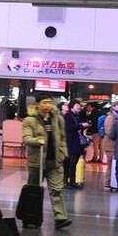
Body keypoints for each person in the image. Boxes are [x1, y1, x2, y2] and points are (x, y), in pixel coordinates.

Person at [22, 95, 72, 229]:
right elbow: (26, 138)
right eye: (44, 103)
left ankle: (60, 218)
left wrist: (63, 153)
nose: (47, 106)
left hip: (55, 161)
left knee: (57, 190)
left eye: (49, 103)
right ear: (37, 104)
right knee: (33, 190)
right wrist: (36, 141)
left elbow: (62, 138)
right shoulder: (30, 120)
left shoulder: (57, 119)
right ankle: (30, 217)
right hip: (37, 162)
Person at [63, 100, 88, 189]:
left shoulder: (77, 116)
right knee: (70, 163)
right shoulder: (68, 116)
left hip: (77, 143)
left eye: (79, 105)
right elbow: (68, 128)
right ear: (72, 106)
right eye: (77, 105)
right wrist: (82, 126)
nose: (79, 107)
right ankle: (65, 181)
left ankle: (72, 181)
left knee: (74, 163)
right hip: (71, 143)